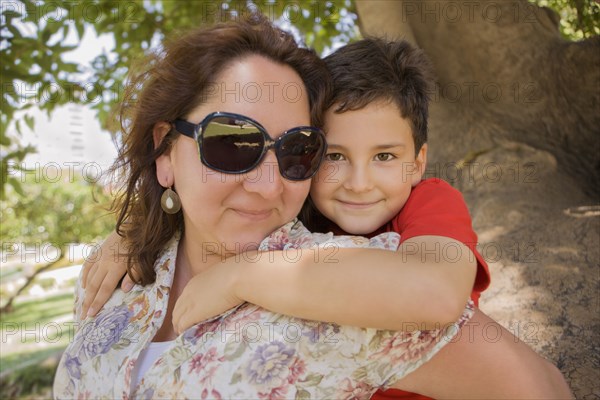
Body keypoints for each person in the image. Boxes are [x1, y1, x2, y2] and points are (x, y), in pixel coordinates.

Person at [68, 16, 572, 400]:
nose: (269, 185)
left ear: (417, 162)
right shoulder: (121, 274)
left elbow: (527, 375)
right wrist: (135, 231)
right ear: (165, 152)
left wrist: (243, 274)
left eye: (296, 150)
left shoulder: (351, 271)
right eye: (233, 142)